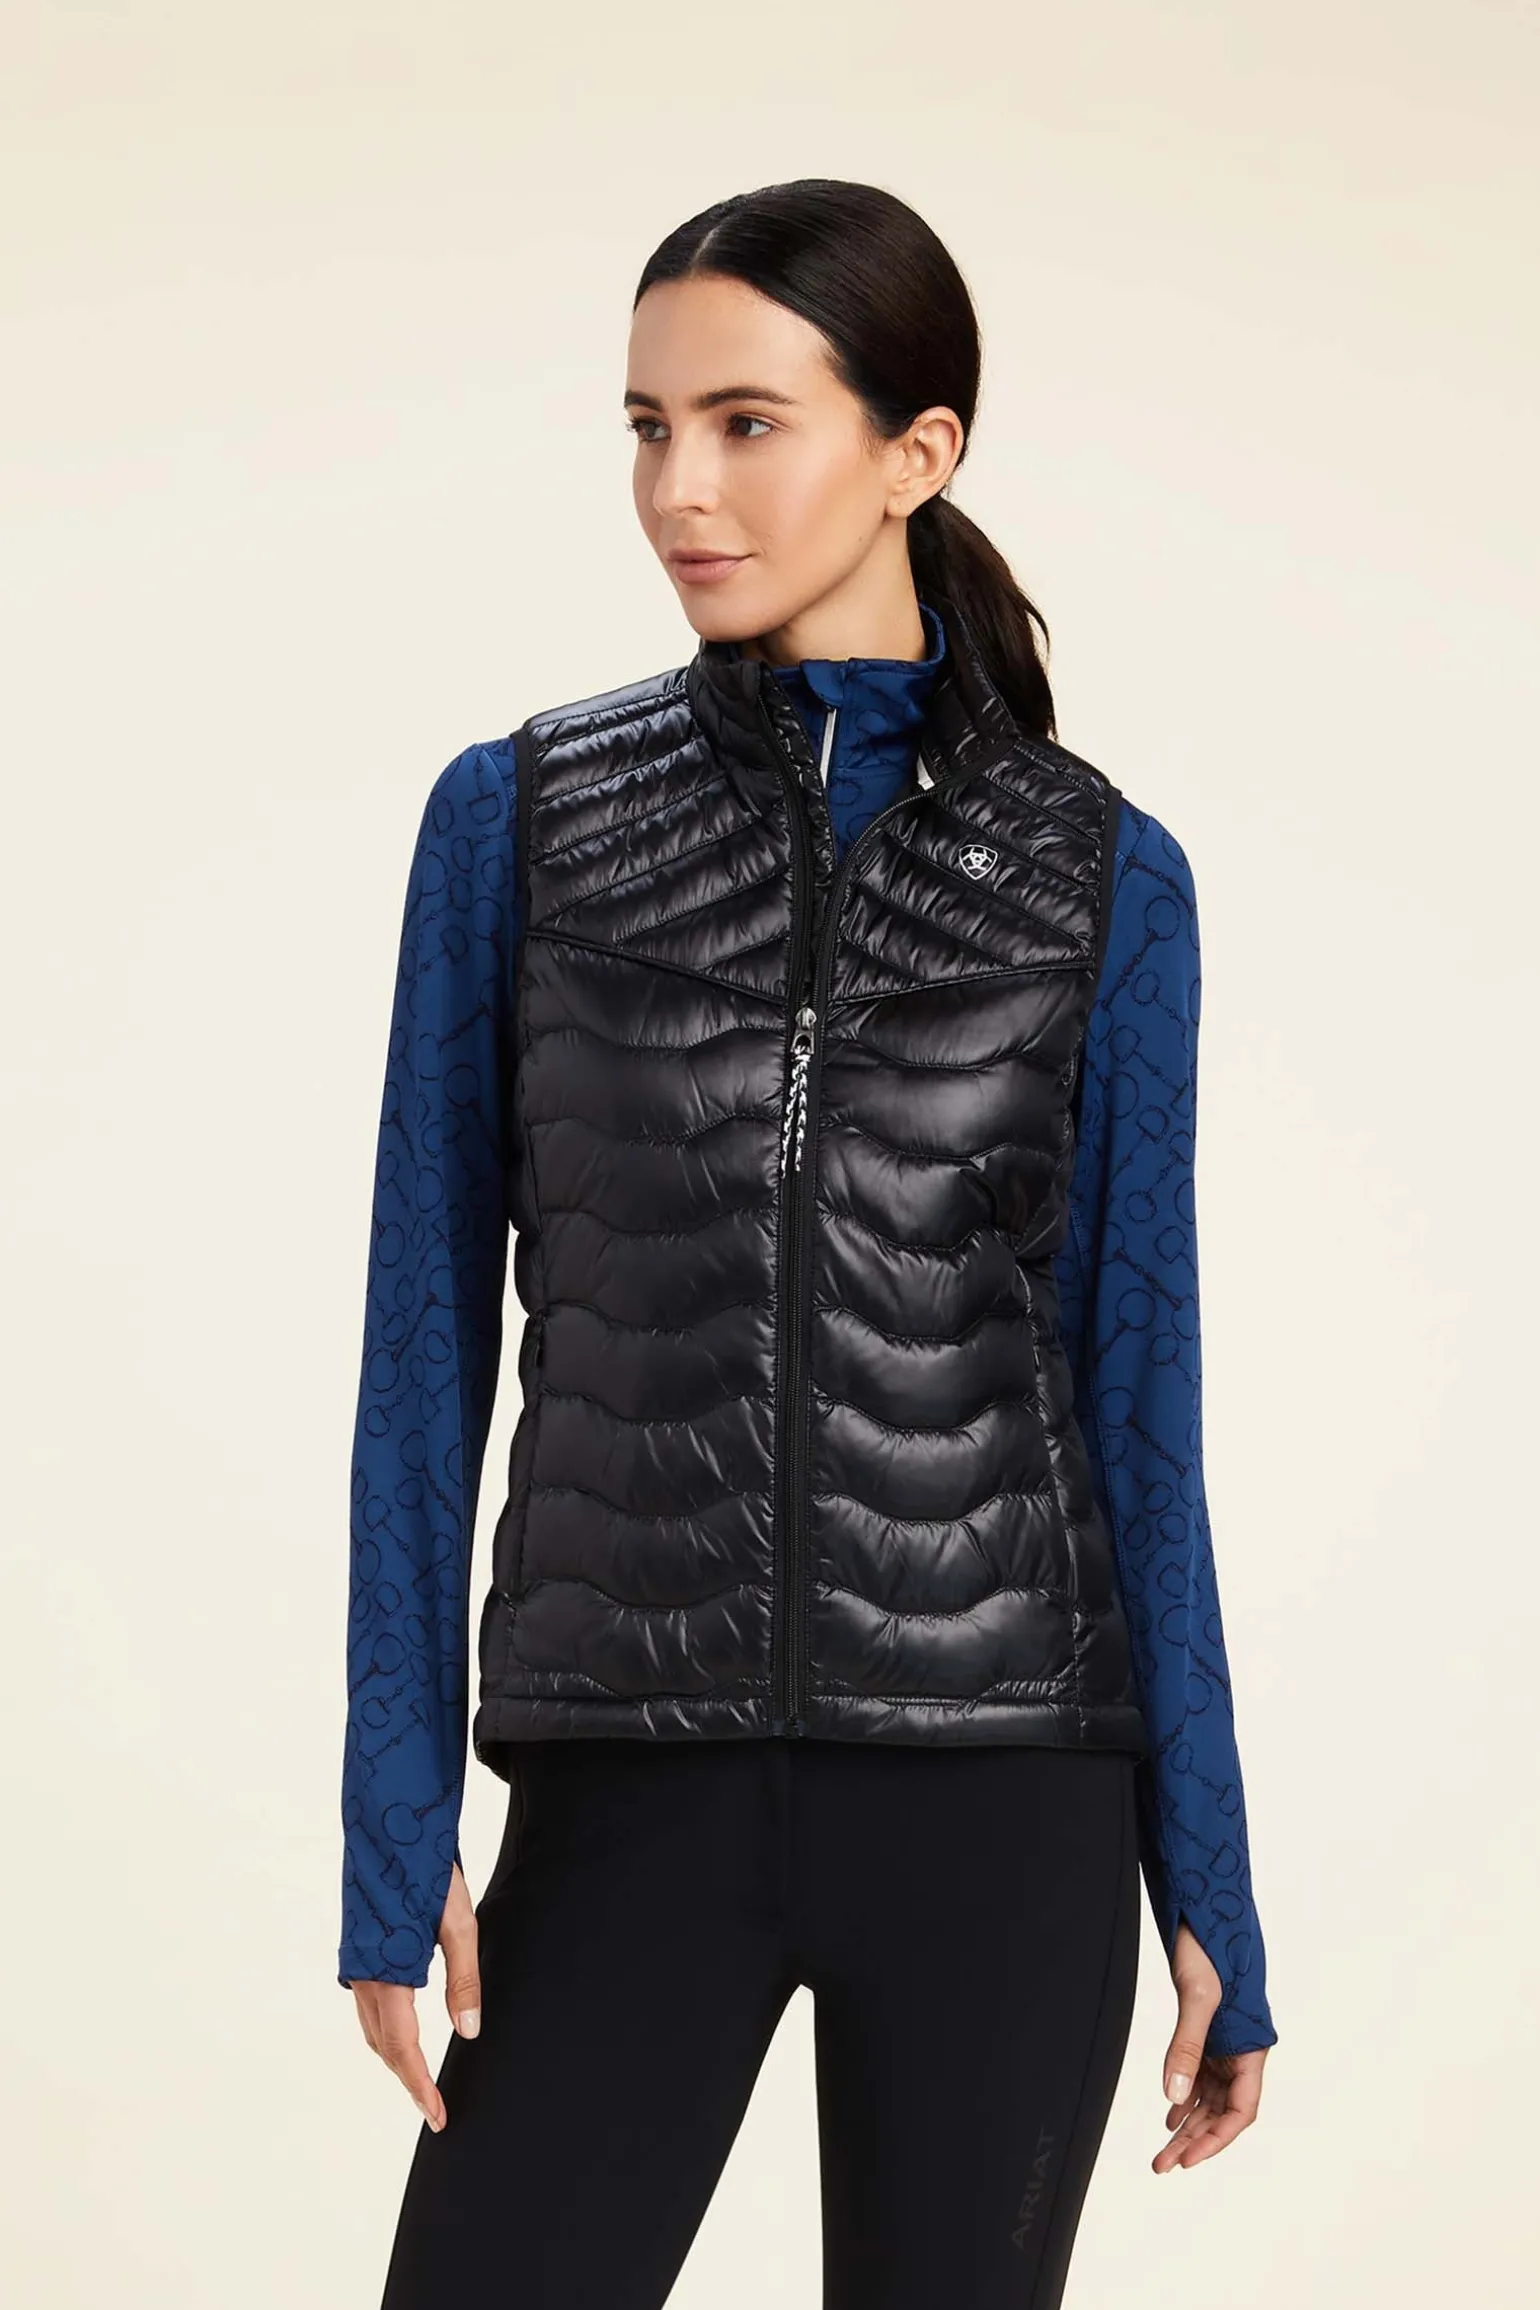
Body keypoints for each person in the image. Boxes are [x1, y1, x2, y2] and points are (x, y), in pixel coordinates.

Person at [339, 178, 1277, 2309]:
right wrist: (395, 1826)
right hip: (626, 1775)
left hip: (1005, 1790)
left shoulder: (1101, 874)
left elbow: (1136, 1389)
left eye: (746, 423)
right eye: (646, 426)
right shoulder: (519, 819)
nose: (679, 488)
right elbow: (422, 1343)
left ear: (916, 451)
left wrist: (1206, 1877)